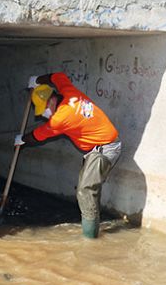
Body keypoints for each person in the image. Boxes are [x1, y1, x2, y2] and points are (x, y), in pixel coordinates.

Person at [15, 72, 122, 238]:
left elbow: (37, 135)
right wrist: (37, 80)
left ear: (51, 100)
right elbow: (57, 76)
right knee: (89, 189)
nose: (44, 114)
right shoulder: (68, 91)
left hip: (104, 149)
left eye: (44, 110)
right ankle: (93, 228)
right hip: (101, 147)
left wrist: (22, 139)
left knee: (85, 191)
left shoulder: (60, 119)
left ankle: (90, 240)